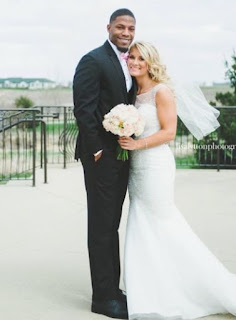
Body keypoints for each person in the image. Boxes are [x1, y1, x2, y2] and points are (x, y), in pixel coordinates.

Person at [118, 41, 236, 320]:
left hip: (155, 164)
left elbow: (169, 132)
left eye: (140, 58)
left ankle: (201, 286)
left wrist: (138, 144)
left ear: (150, 62)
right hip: (136, 166)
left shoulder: (162, 91)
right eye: (131, 57)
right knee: (141, 222)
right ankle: (151, 287)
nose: (134, 62)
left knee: (163, 222)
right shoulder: (134, 92)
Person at [73, 8, 137, 320]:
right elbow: (83, 109)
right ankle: (103, 298)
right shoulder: (93, 60)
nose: (126, 33)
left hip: (122, 154)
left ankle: (113, 288)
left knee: (111, 223)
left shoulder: (131, 61)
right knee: (101, 225)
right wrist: (96, 149)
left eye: (130, 28)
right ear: (109, 27)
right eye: (120, 27)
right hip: (100, 157)